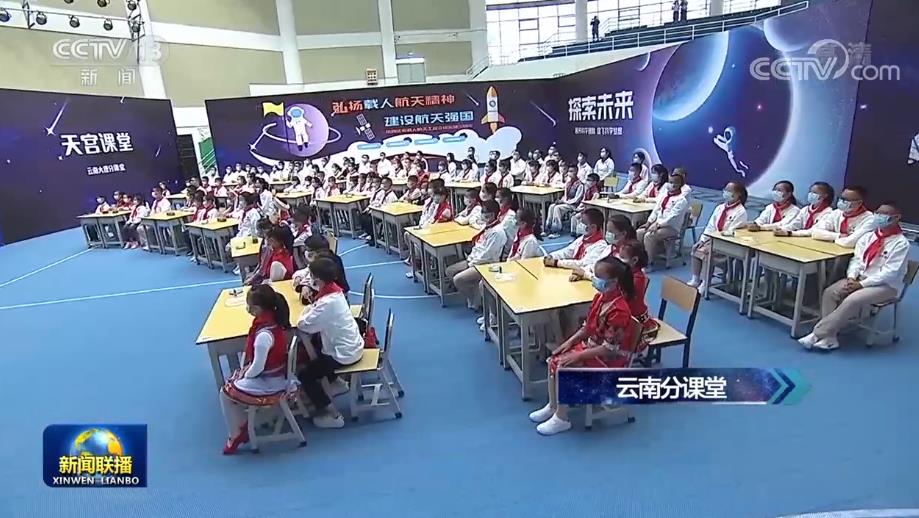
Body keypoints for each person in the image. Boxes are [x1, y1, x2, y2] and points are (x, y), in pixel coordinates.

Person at [529, 256, 638, 435]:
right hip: (593, 348)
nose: (594, 280)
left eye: (599, 277)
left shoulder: (619, 310)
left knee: (564, 367)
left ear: (613, 282)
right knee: (554, 359)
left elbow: (609, 348)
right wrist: (568, 343)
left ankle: (562, 418)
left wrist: (577, 355)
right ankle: (553, 405)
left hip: (610, 359)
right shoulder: (599, 298)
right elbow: (587, 328)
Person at [798, 202, 910, 351]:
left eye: (885, 215)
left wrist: (862, 285)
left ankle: (817, 334)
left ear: (896, 218)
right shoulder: (868, 237)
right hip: (859, 279)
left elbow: (890, 272)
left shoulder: (901, 243)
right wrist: (851, 277)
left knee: (853, 300)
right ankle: (830, 338)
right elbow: (857, 260)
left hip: (885, 286)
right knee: (830, 293)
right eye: (878, 213)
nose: (879, 217)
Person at [219, 284, 293, 454]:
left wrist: (245, 374)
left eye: (249, 305)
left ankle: (235, 433)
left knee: (226, 392)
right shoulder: (272, 322)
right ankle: (241, 425)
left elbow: (258, 367)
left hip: (271, 382)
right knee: (235, 381)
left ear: (257, 309)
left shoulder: (263, 335)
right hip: (276, 375)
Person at [295, 257, 364, 429]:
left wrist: (308, 308)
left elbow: (303, 324)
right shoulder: (335, 292)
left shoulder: (326, 303)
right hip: (352, 346)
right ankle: (336, 383)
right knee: (316, 349)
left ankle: (332, 414)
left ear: (317, 279)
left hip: (344, 354)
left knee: (305, 374)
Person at [444, 200, 507, 310]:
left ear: (493, 214)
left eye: (485, 213)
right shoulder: (486, 226)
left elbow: (487, 255)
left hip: (486, 264)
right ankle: (473, 295)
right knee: (449, 271)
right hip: (473, 260)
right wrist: (470, 260)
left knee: (458, 279)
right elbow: (478, 246)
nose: (482, 215)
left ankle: (477, 301)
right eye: (482, 212)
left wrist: (471, 264)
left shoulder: (497, 232)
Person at [687, 181, 748, 290]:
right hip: (713, 240)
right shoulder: (720, 207)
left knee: (707, 254)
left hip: (727, 244)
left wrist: (714, 242)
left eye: (729, 191)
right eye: (725, 190)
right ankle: (695, 279)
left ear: (738, 194)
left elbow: (732, 232)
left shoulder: (741, 212)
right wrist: (702, 240)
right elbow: (711, 226)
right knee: (696, 248)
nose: (726, 192)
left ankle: (705, 282)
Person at [636, 170, 690, 261]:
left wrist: (658, 225)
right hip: (657, 223)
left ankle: (648, 262)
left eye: (672, 182)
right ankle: (639, 257)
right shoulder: (665, 195)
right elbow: (656, 210)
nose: (669, 184)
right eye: (669, 181)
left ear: (678, 185)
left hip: (671, 227)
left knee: (649, 236)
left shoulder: (681, 200)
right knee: (639, 232)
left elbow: (672, 217)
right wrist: (649, 222)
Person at [570, 214, 637, 281]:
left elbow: (609, 281)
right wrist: (580, 272)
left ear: (623, 234)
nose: (607, 234)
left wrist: (585, 274)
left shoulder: (626, 255)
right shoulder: (609, 248)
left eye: (610, 232)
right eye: (607, 231)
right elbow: (595, 265)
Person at [805, 185, 874, 248]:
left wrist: (828, 237)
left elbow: (849, 243)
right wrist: (839, 236)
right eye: (842, 198)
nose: (842, 202)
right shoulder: (836, 213)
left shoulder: (869, 219)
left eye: (846, 200)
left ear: (859, 203)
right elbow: (815, 232)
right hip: (831, 249)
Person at [544, 208, 608, 272]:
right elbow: (568, 251)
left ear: (593, 227)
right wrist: (552, 256)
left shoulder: (601, 246)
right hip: (574, 272)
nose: (579, 224)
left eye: (583, 223)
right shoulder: (583, 238)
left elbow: (583, 264)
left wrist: (557, 263)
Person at [545, 167, 585, 238]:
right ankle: (548, 228)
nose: (569, 173)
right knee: (552, 206)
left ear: (576, 172)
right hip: (566, 203)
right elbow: (565, 195)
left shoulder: (580, 185)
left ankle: (556, 231)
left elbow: (577, 199)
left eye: (572, 171)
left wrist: (565, 202)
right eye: (569, 171)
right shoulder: (568, 183)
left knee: (557, 208)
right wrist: (561, 200)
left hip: (574, 205)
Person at [361, 176, 397, 246]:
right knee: (363, 216)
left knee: (369, 220)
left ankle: (374, 238)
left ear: (390, 185)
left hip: (386, 214)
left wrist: (378, 207)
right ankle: (371, 235)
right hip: (378, 211)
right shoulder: (383, 193)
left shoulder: (392, 196)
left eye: (385, 183)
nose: (383, 185)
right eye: (382, 183)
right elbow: (378, 202)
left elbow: (389, 207)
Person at [495, 187, 518, 252]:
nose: (495, 199)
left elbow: (510, 239)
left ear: (504, 199)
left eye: (497, 197)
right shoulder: (499, 212)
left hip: (506, 249)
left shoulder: (511, 217)